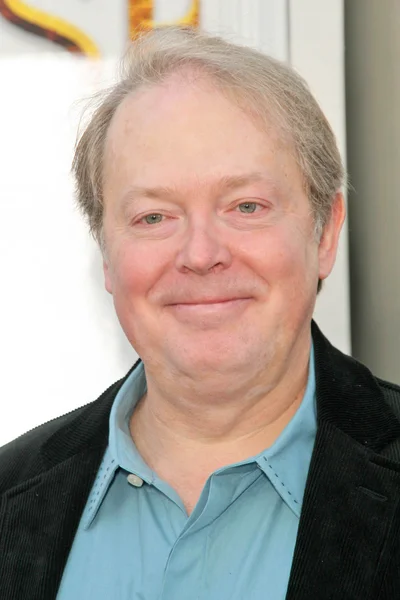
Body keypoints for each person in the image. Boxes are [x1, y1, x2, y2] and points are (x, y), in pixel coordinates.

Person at [1, 26, 400, 600]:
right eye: (154, 217)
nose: (200, 255)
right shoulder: (8, 494)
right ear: (107, 254)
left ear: (326, 232)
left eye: (245, 206)